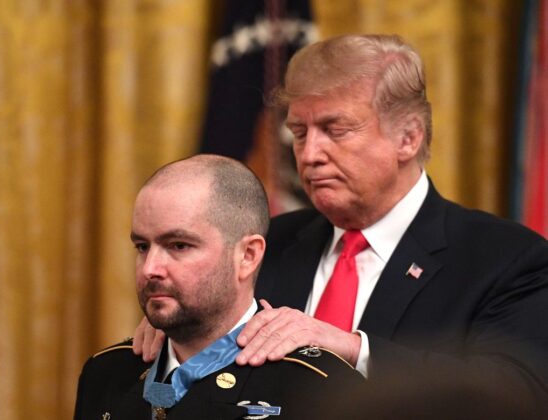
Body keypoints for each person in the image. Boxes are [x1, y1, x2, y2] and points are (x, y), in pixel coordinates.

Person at [134, 34, 548, 416]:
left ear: (408, 137)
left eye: (335, 130)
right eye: (298, 133)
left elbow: (523, 393)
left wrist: (353, 349)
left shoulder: (506, 258)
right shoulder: (264, 246)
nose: (309, 154)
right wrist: (179, 323)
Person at [74, 155, 363, 420]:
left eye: (179, 246)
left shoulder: (321, 389)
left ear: (247, 256)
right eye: (142, 246)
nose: (150, 268)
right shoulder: (107, 373)